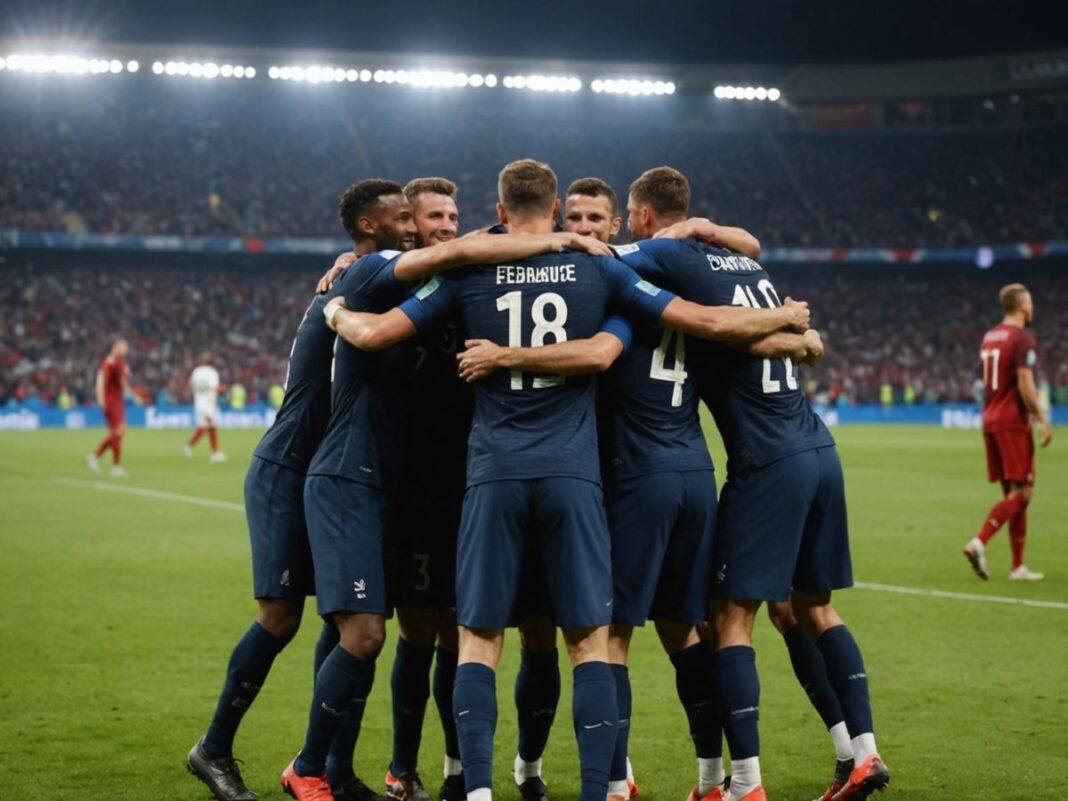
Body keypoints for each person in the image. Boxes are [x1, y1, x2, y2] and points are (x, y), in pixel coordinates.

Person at [323, 159, 807, 801]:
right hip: (576, 478)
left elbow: (381, 330)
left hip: (493, 475)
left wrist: (334, 307)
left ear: (500, 215)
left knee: (478, 639)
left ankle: (476, 791)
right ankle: (597, 789)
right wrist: (792, 325)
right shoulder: (602, 268)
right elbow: (705, 322)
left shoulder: (467, 273)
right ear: (554, 212)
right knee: (587, 641)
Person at [454, 176, 828, 801]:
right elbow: (720, 315)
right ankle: (717, 777)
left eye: (596, 217)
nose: (585, 227)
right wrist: (798, 334)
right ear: (553, 215)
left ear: (620, 223)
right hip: (676, 473)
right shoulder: (633, 274)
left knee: (604, 636)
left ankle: (619, 778)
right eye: (574, 215)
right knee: (685, 631)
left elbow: (638, 339)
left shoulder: (613, 281)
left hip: (627, 479)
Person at [281, 176, 614, 801]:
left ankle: (464, 771)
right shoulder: (415, 273)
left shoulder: (475, 264)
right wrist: (348, 278)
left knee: (475, 627)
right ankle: (399, 768)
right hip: (420, 478)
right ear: (407, 222)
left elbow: (512, 238)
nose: (440, 224)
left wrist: (573, 239)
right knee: (419, 628)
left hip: (480, 473)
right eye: (429, 215)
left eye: (450, 214)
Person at [610, 166, 889, 801]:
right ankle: (861, 752)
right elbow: (757, 257)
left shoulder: (659, 253)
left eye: (628, 212)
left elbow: (602, 257)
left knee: (728, 617)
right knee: (808, 606)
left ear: (647, 215)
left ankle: (744, 784)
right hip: (818, 446)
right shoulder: (742, 261)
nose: (626, 224)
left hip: (767, 459)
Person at [187, 179, 411, 801]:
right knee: (281, 616)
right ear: (370, 228)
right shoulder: (359, 278)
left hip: (330, 473)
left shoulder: (366, 279)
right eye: (404, 219)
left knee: (342, 623)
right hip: (289, 466)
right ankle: (214, 748)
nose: (415, 230)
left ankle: (330, 769)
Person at [963, 283, 1052, 582]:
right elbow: (1025, 385)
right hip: (1013, 420)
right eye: (1031, 303)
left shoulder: (990, 337)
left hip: (989, 418)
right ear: (1024, 306)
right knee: (1024, 492)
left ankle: (1018, 566)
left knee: (1013, 494)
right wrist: (1041, 419)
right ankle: (979, 541)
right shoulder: (1022, 337)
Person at [87, 338, 131, 477]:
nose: (126, 350)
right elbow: (101, 381)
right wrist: (101, 399)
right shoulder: (109, 362)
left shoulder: (119, 362)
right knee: (119, 432)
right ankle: (101, 460)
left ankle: (100, 460)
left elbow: (122, 380)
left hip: (117, 401)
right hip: (111, 401)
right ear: (116, 347)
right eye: (124, 347)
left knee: (119, 434)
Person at [185, 352, 226, 463]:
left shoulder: (196, 371)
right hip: (208, 402)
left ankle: (189, 445)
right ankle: (214, 453)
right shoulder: (212, 372)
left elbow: (191, 385)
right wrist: (223, 389)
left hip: (198, 402)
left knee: (205, 426)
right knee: (211, 426)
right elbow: (214, 387)